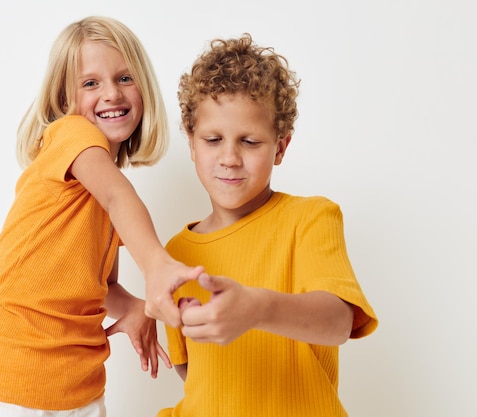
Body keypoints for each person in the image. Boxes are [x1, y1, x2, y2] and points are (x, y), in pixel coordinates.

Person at [0, 16, 204, 417]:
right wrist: (157, 265)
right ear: (63, 101)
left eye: (125, 78)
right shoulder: (71, 134)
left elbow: (100, 285)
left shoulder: (100, 192)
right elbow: (117, 195)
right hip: (11, 386)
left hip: (80, 391)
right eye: (91, 83)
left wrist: (135, 306)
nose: (111, 93)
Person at [157, 34, 378, 417]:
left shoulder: (310, 219)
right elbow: (190, 369)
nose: (229, 158)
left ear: (280, 147)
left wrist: (257, 308)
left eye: (249, 141)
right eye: (213, 139)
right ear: (192, 144)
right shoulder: (175, 253)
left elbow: (339, 322)